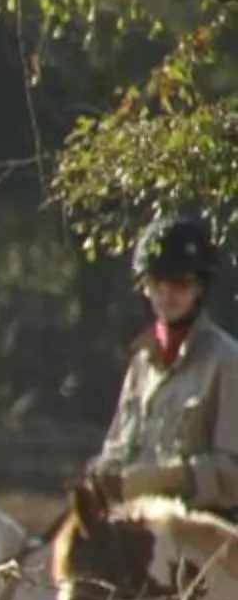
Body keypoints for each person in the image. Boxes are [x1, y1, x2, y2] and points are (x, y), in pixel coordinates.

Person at [88, 209, 238, 513]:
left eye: (180, 284)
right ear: (144, 287)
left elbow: (231, 474)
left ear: (199, 288)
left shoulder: (226, 361)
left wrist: (164, 479)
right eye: (157, 283)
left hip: (202, 529)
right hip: (139, 524)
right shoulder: (141, 364)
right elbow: (117, 446)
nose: (167, 295)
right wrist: (104, 471)